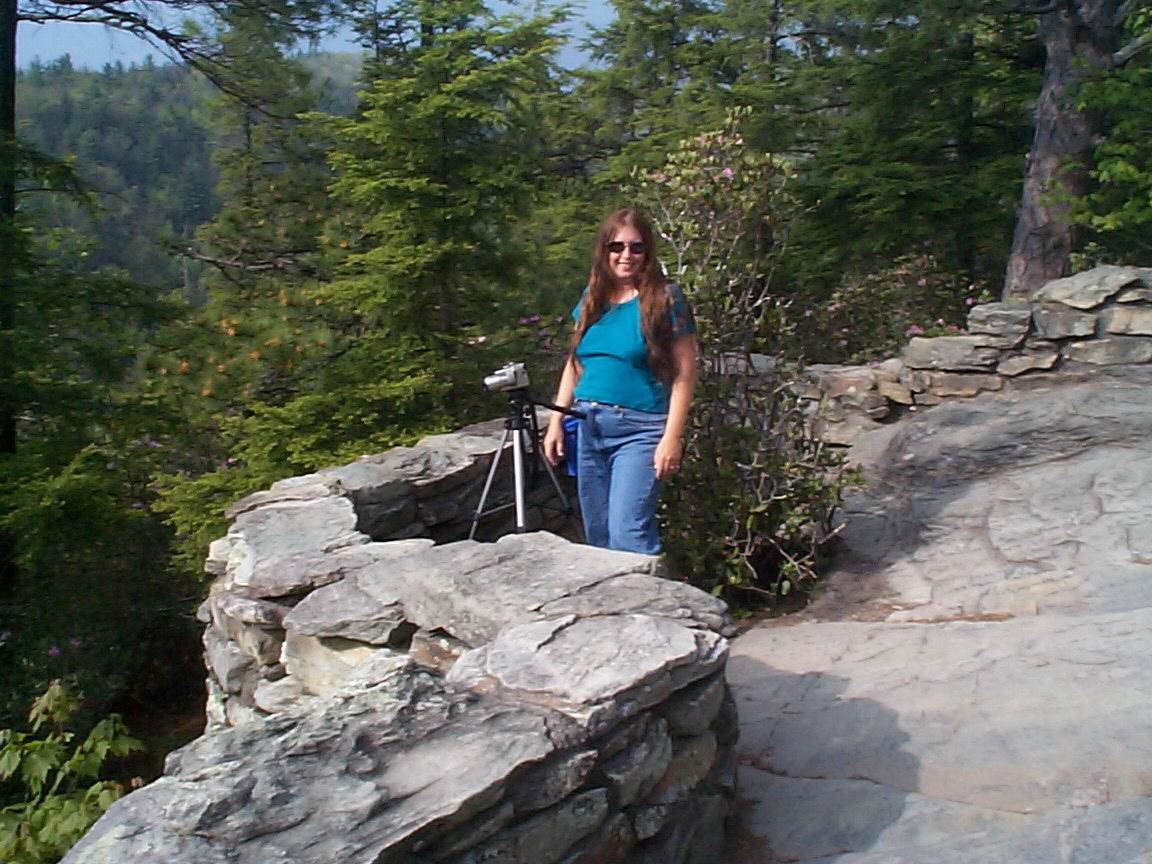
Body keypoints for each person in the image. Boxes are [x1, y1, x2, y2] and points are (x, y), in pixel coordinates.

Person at [542, 208, 698, 554]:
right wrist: (556, 422)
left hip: (639, 429)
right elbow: (575, 363)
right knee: (598, 537)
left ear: (648, 251)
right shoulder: (593, 298)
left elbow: (686, 373)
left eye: (636, 247)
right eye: (617, 246)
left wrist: (672, 438)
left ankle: (648, 591)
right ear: (605, 250)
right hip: (588, 425)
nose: (626, 255)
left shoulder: (665, 299)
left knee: (628, 533)